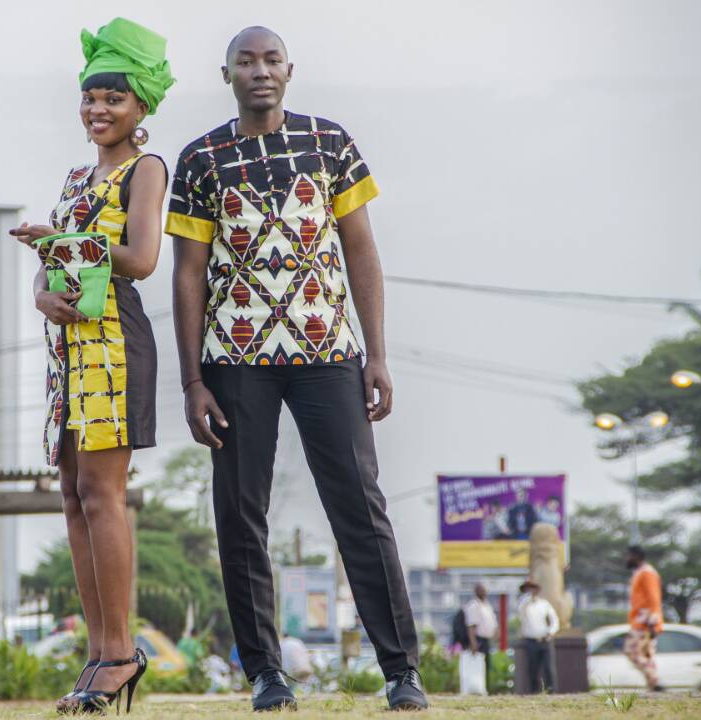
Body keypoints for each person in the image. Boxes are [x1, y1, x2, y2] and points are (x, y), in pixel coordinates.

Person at [167, 26, 427, 713]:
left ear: (290, 70)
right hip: (235, 360)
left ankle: (402, 671)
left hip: (328, 354)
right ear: (226, 74)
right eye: (245, 62)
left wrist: (376, 354)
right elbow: (188, 274)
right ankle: (265, 674)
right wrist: (192, 381)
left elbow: (361, 250)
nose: (260, 71)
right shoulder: (201, 159)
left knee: (359, 507)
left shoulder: (329, 144)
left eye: (271, 60)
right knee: (240, 515)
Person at [9, 16, 173, 715]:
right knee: (73, 495)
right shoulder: (78, 176)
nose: (98, 109)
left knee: (104, 495)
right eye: (90, 97)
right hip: (67, 348)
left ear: (140, 106)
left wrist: (60, 241)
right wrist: (41, 291)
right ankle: (100, 650)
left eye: (113, 97)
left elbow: (140, 259)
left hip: (114, 343)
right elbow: (54, 265)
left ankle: (120, 653)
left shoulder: (147, 169)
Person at [624, 545, 664, 691]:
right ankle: (653, 685)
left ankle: (655, 681)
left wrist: (652, 622)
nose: (627, 559)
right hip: (642, 621)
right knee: (646, 654)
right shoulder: (640, 573)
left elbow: (653, 599)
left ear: (637, 556)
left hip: (645, 622)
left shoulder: (647, 573)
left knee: (632, 651)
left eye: (629, 556)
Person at [517, 579, 559, 693]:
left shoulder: (544, 604)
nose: (530, 591)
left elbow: (554, 620)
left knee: (548, 667)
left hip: (545, 639)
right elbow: (521, 614)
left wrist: (551, 631)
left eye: (532, 588)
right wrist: (527, 598)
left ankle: (551, 691)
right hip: (531, 640)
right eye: (528, 589)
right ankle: (533, 691)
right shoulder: (523, 604)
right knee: (532, 668)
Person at [463, 584, 498, 687]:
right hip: (478, 640)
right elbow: (471, 626)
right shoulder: (474, 606)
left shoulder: (487, 605)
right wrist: (473, 643)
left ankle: (485, 687)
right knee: (479, 665)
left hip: (486, 639)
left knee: (486, 665)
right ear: (477, 592)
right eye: (482, 590)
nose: (484, 593)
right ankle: (477, 687)